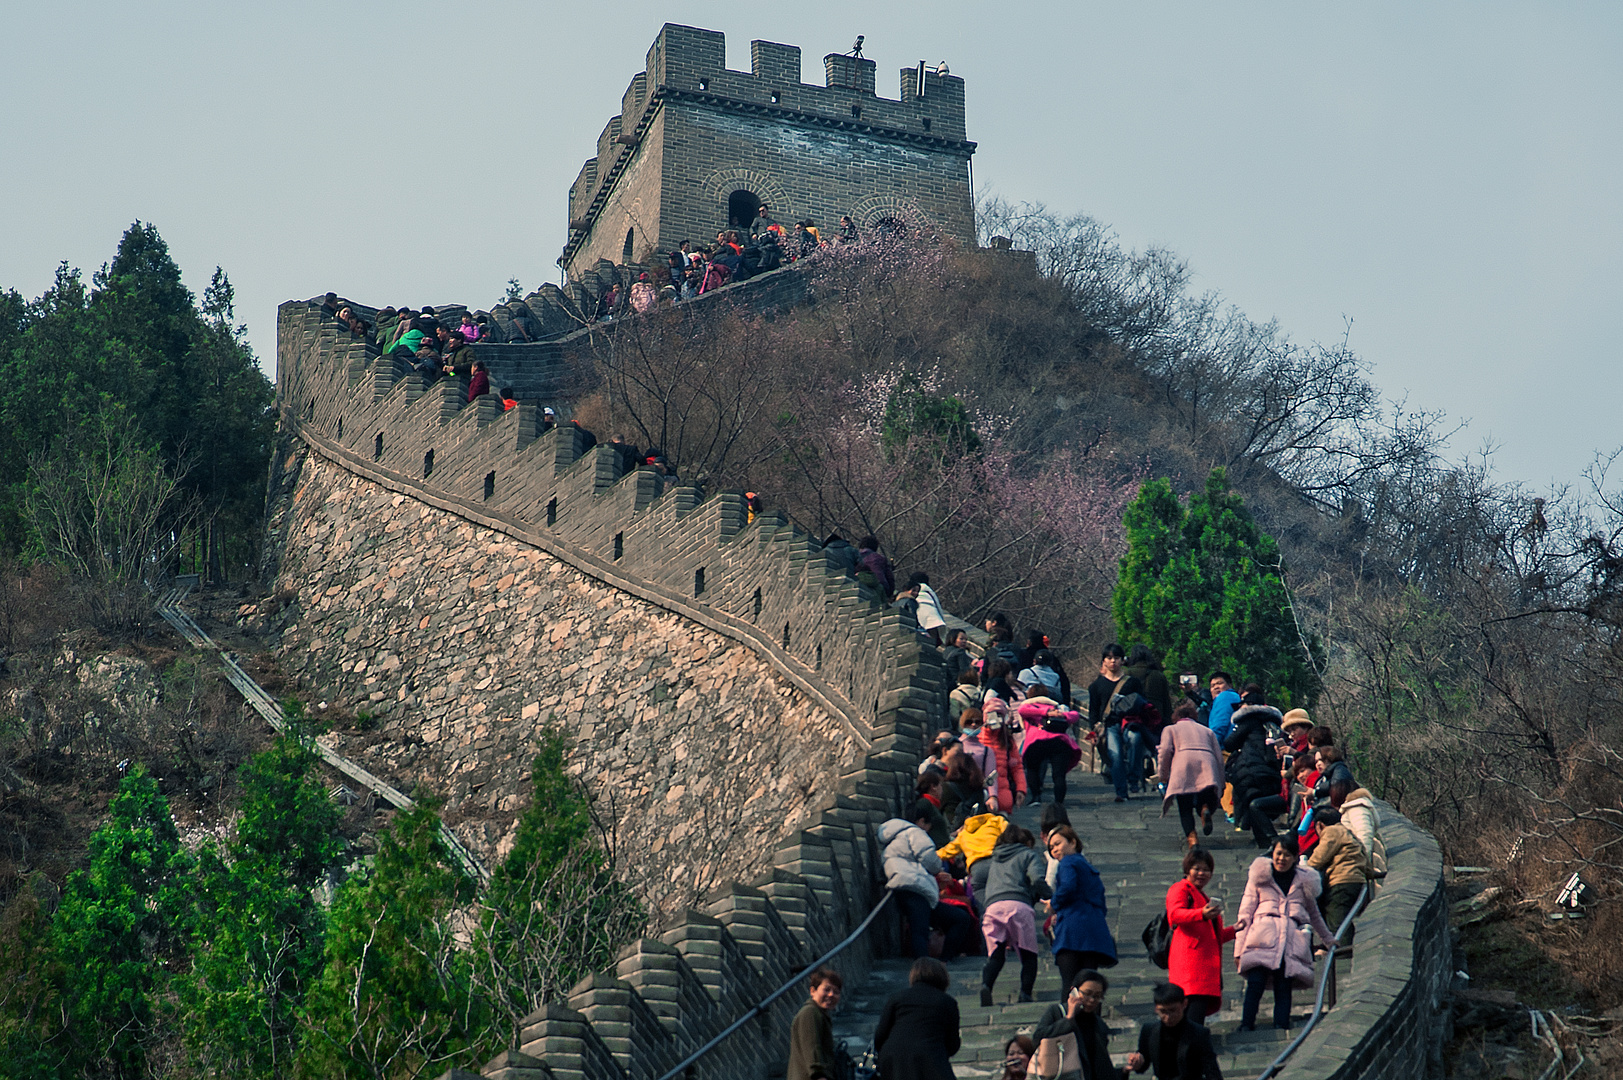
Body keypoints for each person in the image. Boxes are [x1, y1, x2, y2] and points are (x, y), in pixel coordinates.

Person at [1233, 837, 1338, 1031]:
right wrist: (1238, 950)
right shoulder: (1260, 878)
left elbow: (1314, 915)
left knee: (1284, 985)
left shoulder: (1304, 881)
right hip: (1261, 938)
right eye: (1278, 853)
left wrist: (1328, 939)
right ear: (1272, 853)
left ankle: (1281, 1024)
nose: (1281, 858)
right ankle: (1246, 1024)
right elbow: (1245, 914)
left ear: (1295, 857)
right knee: (1255, 983)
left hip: (1291, 942)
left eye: (1287, 855)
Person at [971, 826, 1050, 1006]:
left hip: (993, 908)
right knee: (1028, 954)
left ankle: (986, 986)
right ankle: (1025, 993)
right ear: (1027, 842)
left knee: (996, 956)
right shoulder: (1028, 855)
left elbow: (977, 881)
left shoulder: (994, 859)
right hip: (1018, 906)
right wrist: (1050, 895)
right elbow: (1037, 879)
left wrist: (987, 901)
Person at [880, 817, 976, 960]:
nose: (929, 828)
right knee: (921, 929)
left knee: (958, 918)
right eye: (928, 824)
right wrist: (937, 869)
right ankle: (926, 968)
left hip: (904, 889)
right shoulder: (913, 832)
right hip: (916, 886)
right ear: (920, 822)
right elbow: (929, 857)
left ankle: (938, 962)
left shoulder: (890, 843)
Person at [1165, 847, 1237, 1027]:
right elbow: (1175, 914)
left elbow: (1214, 936)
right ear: (1187, 869)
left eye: (1206, 870)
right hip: (1191, 968)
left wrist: (1236, 929)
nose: (1202, 873)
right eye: (1197, 868)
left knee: (1195, 1017)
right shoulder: (1181, 888)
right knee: (1192, 1017)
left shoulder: (1202, 896)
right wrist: (1201, 914)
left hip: (1203, 969)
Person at [1047, 825, 1116, 999]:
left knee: (1070, 984)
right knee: (1090, 984)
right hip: (1093, 930)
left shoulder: (1068, 862)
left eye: (1057, 844)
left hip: (1072, 929)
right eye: (1051, 848)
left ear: (1072, 842)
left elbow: (1068, 887)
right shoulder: (1085, 865)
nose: (1054, 850)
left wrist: (1053, 903)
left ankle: (1069, 1021)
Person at [873, 957, 960, 1080]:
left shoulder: (897, 997)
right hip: (930, 1056)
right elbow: (953, 1044)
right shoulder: (947, 1002)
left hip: (893, 1057)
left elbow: (880, 1034)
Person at [1158, 701, 1226, 847]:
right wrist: (1221, 781)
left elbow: (1164, 752)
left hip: (1183, 764)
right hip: (1207, 763)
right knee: (1205, 795)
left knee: (1185, 805)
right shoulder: (1207, 731)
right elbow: (1219, 758)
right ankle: (1204, 809)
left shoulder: (1170, 729)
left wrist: (1163, 775)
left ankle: (1192, 838)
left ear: (1176, 717)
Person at [1223, 699, 1286, 849]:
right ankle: (1267, 843)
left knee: (1254, 804)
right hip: (1272, 774)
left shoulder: (1247, 722)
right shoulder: (1273, 724)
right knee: (1257, 805)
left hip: (1250, 772)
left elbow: (1229, 744)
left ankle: (1272, 843)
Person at [1125, 983, 1223, 1080]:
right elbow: (1143, 1063)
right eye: (1163, 1011)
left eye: (1173, 1010)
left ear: (1184, 1004)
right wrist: (1138, 1062)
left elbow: (1211, 1070)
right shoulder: (1149, 1031)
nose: (1168, 1017)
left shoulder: (1199, 1033)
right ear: (1156, 1008)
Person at [1089, 644, 1146, 802]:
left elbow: (1142, 702)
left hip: (1130, 722)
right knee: (1115, 755)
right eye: (1109, 658)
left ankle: (1133, 779)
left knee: (1135, 740)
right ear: (1104, 662)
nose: (1113, 661)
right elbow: (1093, 711)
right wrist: (1093, 731)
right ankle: (1121, 791)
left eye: (1116, 658)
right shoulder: (1096, 686)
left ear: (1122, 660)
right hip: (1110, 725)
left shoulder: (1132, 682)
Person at [1017, 689, 1082, 806]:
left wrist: (1046, 712)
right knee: (1059, 774)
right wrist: (1059, 714)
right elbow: (1075, 715)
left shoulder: (1029, 707)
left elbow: (1021, 710)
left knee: (1032, 769)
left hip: (1036, 741)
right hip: (1059, 742)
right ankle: (1059, 802)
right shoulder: (1057, 708)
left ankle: (1036, 797)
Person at [788, 967, 842, 1080]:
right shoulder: (810, 1013)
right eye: (827, 989)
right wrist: (820, 1075)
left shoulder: (820, 1015)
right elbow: (812, 1047)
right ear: (813, 991)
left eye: (836, 992)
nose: (831, 995)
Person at [980, 710, 1027, 813]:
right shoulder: (977, 738)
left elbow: (1017, 767)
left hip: (1003, 795)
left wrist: (1021, 788)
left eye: (999, 715)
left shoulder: (1007, 741)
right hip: (981, 794)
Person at [1126, 645, 1173, 726]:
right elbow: (1166, 702)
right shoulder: (1159, 675)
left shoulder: (1127, 674)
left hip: (1134, 718)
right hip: (1156, 717)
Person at [1205, 673, 1242, 744]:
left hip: (1225, 746)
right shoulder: (1234, 697)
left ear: (1230, 685)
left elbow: (1220, 725)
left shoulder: (1225, 696)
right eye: (1212, 686)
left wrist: (1211, 744)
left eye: (1219, 683)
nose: (1216, 687)